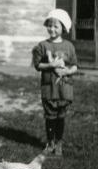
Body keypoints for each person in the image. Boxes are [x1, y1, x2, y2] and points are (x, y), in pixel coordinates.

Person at [32, 9, 78, 156]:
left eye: (55, 26)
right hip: (49, 88)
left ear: (63, 28)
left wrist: (67, 71)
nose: (51, 29)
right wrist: (50, 65)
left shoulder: (69, 46)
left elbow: (75, 66)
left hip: (64, 88)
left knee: (61, 116)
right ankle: (50, 143)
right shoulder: (42, 46)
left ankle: (59, 143)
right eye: (49, 25)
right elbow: (38, 65)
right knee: (50, 116)